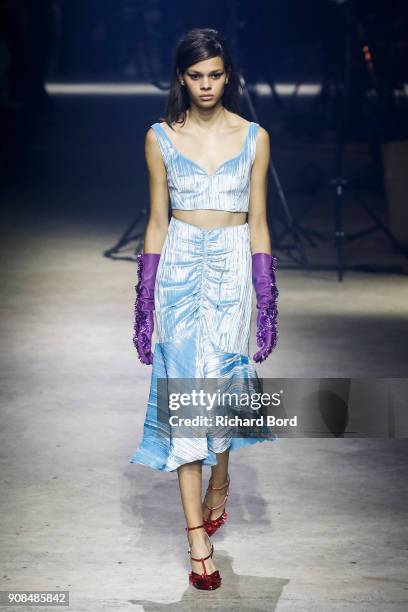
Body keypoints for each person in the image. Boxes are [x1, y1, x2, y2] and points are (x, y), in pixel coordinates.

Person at [129, 27, 279, 591]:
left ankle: (222, 478)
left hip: (235, 265)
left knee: (223, 394)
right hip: (180, 266)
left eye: (215, 74)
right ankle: (197, 538)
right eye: (196, 76)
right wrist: (145, 300)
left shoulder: (255, 137)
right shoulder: (161, 137)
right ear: (181, 78)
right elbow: (156, 220)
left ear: (228, 74)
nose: (206, 85)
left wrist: (266, 297)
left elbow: (260, 219)